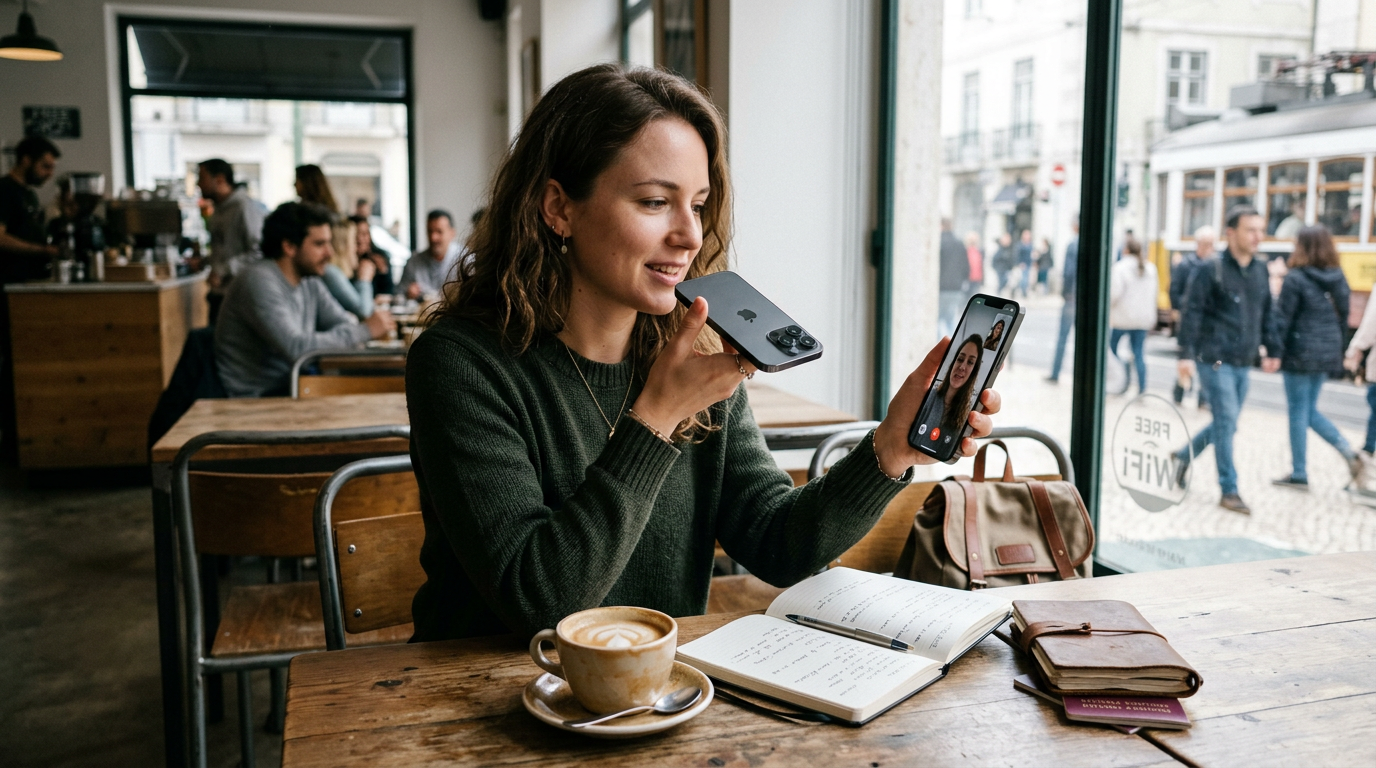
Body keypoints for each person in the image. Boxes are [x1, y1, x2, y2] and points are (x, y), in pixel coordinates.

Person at [405, 63, 1002, 642]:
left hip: (657, 700)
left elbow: (777, 542)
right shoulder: (461, 363)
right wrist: (655, 420)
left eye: (696, 203)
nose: (690, 235)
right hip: (492, 705)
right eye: (653, 202)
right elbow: (540, 600)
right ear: (559, 207)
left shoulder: (688, 347)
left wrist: (889, 450)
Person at [214, 202, 395, 398]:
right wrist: (365, 330)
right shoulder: (258, 280)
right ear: (289, 246)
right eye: (320, 244)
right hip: (255, 400)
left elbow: (343, 322)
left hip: (294, 387)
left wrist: (355, 331)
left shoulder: (309, 281)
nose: (330, 253)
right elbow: (297, 349)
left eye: (329, 243)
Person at [1173, 206, 1275, 514]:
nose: (1258, 236)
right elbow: (1191, 312)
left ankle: (1183, 455)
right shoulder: (1210, 269)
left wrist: (1273, 347)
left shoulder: (1260, 270)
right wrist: (1186, 355)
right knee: (1227, 421)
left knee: (1225, 423)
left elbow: (1266, 312)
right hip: (1214, 360)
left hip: (1244, 359)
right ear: (1231, 233)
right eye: (1251, 230)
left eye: (1261, 230)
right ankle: (1229, 489)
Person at [1267, 225, 1362, 489]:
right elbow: (1344, 316)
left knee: (1300, 412)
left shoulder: (1295, 278)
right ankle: (1344, 455)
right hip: (1326, 351)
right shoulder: (1338, 276)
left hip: (1299, 351)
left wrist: (1274, 349)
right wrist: (1338, 349)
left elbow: (1283, 318)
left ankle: (1303, 471)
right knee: (1308, 410)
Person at [0, 136, 60, 463]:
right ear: (25, 160)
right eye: (45, 165)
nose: (49, 173)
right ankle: (12, 443)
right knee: (13, 365)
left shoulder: (28, 195)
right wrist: (41, 250)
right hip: (8, 288)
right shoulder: (5, 191)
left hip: (27, 289)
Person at [295, 165, 372, 319]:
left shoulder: (314, 214)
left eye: (297, 181)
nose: (358, 247)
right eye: (354, 243)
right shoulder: (329, 273)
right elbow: (363, 311)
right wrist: (364, 280)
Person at [198, 159, 268, 322]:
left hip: (239, 296)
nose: (198, 184)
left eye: (202, 178)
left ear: (220, 179)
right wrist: (205, 261)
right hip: (218, 295)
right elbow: (225, 248)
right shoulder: (217, 210)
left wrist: (222, 270)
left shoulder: (244, 207)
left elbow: (258, 250)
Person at [1171, 226, 1216, 406]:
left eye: (1212, 244)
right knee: (1185, 361)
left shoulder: (1215, 267)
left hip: (1209, 323)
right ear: (1198, 244)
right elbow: (1175, 291)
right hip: (1189, 320)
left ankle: (1203, 399)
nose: (1209, 247)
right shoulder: (1185, 265)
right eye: (1206, 243)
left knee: (1207, 361)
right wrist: (1184, 307)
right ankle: (1179, 393)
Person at [1108, 237, 1158, 395]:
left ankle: (1120, 381)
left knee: (1112, 349)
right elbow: (1153, 295)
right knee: (1138, 354)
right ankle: (1142, 388)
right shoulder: (1151, 268)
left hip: (1122, 318)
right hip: (1142, 319)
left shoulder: (1120, 268)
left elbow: (1114, 293)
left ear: (1126, 250)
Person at [913, 335, 984, 444]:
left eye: (970, 362)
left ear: (973, 372)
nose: (962, 366)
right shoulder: (929, 396)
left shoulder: (969, 415)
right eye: (960, 359)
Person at [398, 209, 460, 300]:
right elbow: (398, 294)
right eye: (430, 231)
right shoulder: (414, 261)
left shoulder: (465, 259)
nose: (433, 238)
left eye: (439, 232)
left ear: (452, 233)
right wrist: (408, 293)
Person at [1046, 214, 1079, 383]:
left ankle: (1055, 373)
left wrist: (1066, 293)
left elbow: (1069, 273)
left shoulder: (1073, 245)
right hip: (1085, 300)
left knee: (1062, 337)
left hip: (1072, 298)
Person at [938, 217, 970, 337]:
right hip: (956, 287)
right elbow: (966, 266)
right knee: (951, 319)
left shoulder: (939, 242)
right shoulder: (959, 243)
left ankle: (940, 348)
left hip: (941, 287)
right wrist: (962, 281)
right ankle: (953, 347)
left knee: (937, 319)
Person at [352, 215, 395, 297]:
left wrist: (383, 273)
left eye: (365, 234)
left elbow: (389, 292)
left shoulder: (380, 256)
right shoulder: (345, 262)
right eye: (356, 234)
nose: (360, 239)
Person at [1015, 229, 1034, 298]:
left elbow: (1032, 254)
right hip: (1023, 264)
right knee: (1023, 279)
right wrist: (1020, 263)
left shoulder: (1030, 244)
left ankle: (1024, 291)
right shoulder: (1020, 244)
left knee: (1027, 279)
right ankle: (1023, 291)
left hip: (1029, 263)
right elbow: (1018, 255)